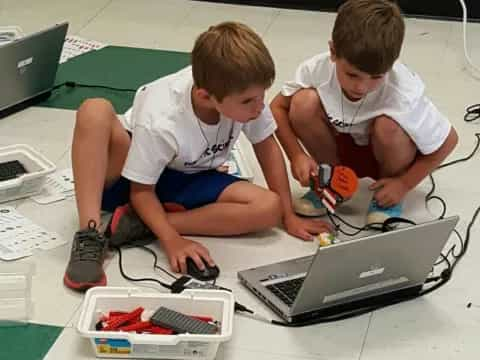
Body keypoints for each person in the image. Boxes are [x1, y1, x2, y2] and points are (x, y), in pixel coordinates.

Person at [64, 22, 331, 291]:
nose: (260, 107)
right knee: (94, 110)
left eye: (261, 96)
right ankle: (90, 234)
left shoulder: (243, 91)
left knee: (269, 209)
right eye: (249, 101)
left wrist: (288, 216)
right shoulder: (161, 117)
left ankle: (141, 224)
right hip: (130, 176)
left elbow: (267, 147)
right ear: (205, 96)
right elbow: (141, 191)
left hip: (189, 175)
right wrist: (172, 241)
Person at [270, 0, 458, 224]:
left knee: (388, 126)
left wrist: (404, 184)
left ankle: (388, 196)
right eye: (352, 75)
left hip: (385, 152)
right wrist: (296, 155)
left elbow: (449, 140)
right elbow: (277, 107)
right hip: (340, 145)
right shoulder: (317, 69)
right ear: (333, 52)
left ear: (391, 65)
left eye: (376, 77)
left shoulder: (402, 91)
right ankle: (333, 181)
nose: (361, 87)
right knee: (302, 103)